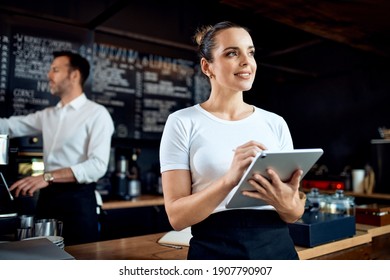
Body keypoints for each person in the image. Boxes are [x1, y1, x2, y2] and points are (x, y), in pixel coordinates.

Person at [159, 21, 306, 260]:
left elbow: (294, 213)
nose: (247, 62)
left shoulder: (275, 122)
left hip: (278, 250)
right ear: (207, 67)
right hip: (214, 251)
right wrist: (229, 180)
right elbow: (177, 218)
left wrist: (286, 203)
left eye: (250, 52)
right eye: (231, 53)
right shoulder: (182, 122)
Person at [1, 50, 114, 245]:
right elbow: (9, 125)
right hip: (47, 199)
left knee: (80, 263)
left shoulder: (97, 114)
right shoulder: (48, 115)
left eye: (55, 70)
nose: (48, 75)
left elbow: (97, 166)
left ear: (74, 75)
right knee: (43, 259)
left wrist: (47, 177)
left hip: (79, 201)